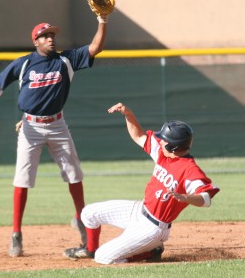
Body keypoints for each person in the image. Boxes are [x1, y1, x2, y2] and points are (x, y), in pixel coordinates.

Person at [0, 15, 109, 257]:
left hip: (58, 125)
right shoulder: (25, 63)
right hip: (30, 127)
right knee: (23, 179)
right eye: (46, 36)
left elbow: (95, 48)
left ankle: (80, 220)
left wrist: (102, 21)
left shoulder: (65, 60)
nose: (51, 39)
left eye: (53, 35)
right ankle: (16, 233)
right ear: (36, 41)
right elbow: (0, 81)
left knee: (75, 175)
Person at [63, 102, 220, 264]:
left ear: (173, 146)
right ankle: (90, 249)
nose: (160, 140)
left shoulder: (190, 170)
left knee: (103, 257)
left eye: (164, 140)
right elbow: (138, 136)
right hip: (139, 210)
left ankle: (150, 253)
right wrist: (128, 114)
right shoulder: (163, 154)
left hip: (153, 229)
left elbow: (206, 199)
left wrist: (186, 198)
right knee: (88, 213)